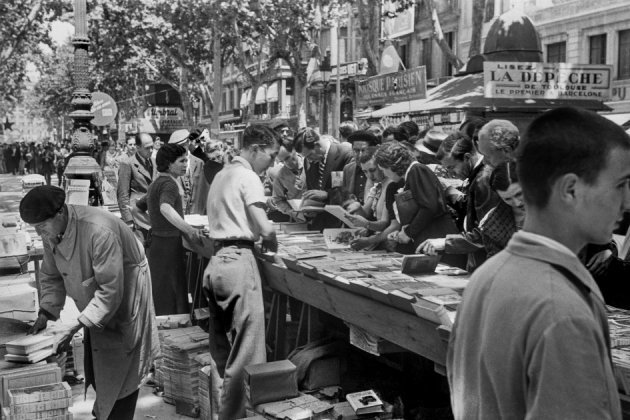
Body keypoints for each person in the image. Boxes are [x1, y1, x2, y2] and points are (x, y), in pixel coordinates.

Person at [448, 107, 630, 419]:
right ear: (570, 190)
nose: (627, 201)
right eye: (620, 184)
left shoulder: (488, 275)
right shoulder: (560, 309)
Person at [21, 186, 159, 420]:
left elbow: (110, 291)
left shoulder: (98, 230)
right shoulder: (50, 232)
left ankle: (116, 413)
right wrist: (46, 312)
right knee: (99, 358)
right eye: (35, 228)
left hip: (126, 293)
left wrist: (74, 325)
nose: (40, 232)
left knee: (123, 362)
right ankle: (103, 410)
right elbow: (51, 276)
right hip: (100, 294)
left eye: (42, 226)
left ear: (61, 213)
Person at [203, 124, 280, 420]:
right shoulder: (247, 176)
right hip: (239, 262)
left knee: (222, 352)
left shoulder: (222, 174)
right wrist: (271, 243)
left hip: (217, 261)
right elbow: (265, 227)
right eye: (270, 156)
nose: (271, 163)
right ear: (256, 149)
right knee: (247, 353)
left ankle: (221, 413)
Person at [137, 143, 205, 315]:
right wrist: (190, 230)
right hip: (169, 245)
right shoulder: (170, 184)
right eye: (181, 161)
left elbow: (136, 209)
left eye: (186, 160)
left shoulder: (156, 183)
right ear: (168, 163)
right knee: (172, 293)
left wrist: (154, 223)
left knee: (161, 293)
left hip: (157, 244)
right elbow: (165, 208)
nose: (185, 165)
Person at [417, 134, 500, 271]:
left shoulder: (483, 179)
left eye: (452, 167)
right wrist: (447, 190)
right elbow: (469, 206)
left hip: (487, 261)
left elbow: (485, 232)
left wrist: (445, 243)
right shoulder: (477, 176)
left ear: (467, 157)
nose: (452, 174)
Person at [374, 142, 463, 266]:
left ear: (391, 165)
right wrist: (402, 233)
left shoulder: (417, 170)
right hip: (429, 243)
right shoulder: (410, 175)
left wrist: (409, 232)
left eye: (383, 170)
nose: (384, 174)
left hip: (438, 239)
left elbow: (429, 207)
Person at [418, 161, 523, 260]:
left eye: (519, 194)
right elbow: (480, 238)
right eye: (507, 199)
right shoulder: (493, 219)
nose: (517, 203)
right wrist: (444, 242)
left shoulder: (538, 212)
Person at [298, 127, 353, 229]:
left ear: (317, 145)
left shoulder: (345, 154)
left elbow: (349, 191)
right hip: (319, 224)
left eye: (310, 155)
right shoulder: (310, 160)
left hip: (341, 224)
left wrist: (327, 195)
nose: (309, 160)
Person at [117, 133, 154, 243]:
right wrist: (128, 221)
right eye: (147, 148)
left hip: (153, 216)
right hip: (136, 217)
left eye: (152, 147)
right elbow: (122, 194)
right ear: (138, 148)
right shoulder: (127, 164)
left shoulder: (155, 162)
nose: (151, 150)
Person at [168, 129, 207, 215]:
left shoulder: (199, 163)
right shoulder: (170, 165)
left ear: (188, 142)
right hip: (177, 213)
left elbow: (203, 191)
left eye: (182, 145)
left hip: (196, 213)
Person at [268, 136, 306, 221]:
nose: (287, 163)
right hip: (298, 219)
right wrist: (291, 212)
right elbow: (278, 200)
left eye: (288, 158)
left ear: (294, 150)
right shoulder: (280, 176)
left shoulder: (309, 164)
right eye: (282, 161)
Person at [341, 130, 379, 205]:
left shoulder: (380, 169)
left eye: (364, 150)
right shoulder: (348, 169)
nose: (360, 155)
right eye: (356, 150)